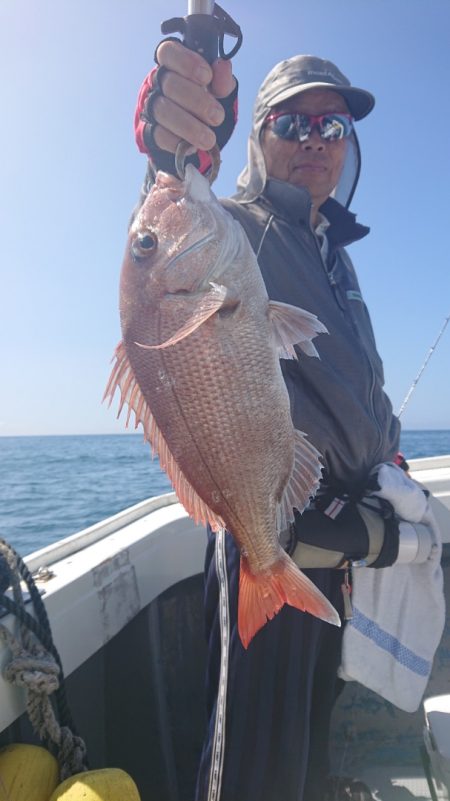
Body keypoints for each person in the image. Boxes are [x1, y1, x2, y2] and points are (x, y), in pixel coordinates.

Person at [133, 40, 402, 801]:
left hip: (336, 537)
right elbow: (169, 230)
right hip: (264, 522)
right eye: (292, 123)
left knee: (310, 727)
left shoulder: (334, 254)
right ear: (256, 137)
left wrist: (388, 454)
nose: (315, 140)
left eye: (332, 126)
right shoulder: (240, 227)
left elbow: (363, 382)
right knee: (250, 764)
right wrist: (175, 140)